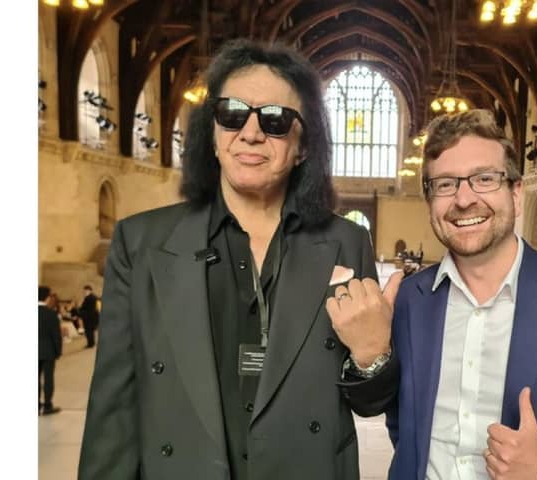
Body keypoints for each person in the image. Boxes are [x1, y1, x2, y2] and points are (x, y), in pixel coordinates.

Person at [79, 38, 394, 480]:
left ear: (304, 146)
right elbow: (113, 410)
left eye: (276, 120)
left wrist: (372, 356)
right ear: (212, 134)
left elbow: (370, 401)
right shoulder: (141, 243)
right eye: (231, 114)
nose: (250, 132)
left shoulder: (347, 242)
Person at [328, 109, 537, 479]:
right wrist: (369, 355)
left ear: (517, 193)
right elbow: (390, 416)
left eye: (485, 179)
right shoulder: (409, 300)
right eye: (445, 184)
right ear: (429, 201)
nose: (463, 199)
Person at [39, 285, 62, 415]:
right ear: (47, 297)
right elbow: (56, 335)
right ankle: (47, 405)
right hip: (48, 351)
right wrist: (58, 351)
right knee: (48, 378)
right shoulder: (51, 314)